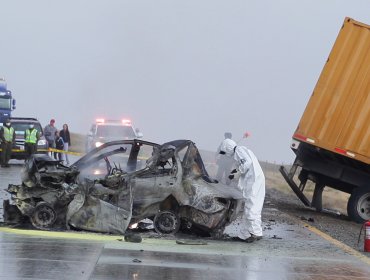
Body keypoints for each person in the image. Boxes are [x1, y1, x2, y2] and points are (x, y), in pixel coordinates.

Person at [219, 138, 265, 243]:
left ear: (228, 148)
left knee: (252, 207)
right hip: (255, 181)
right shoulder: (241, 151)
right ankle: (244, 235)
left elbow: (247, 163)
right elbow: (242, 164)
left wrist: (239, 172)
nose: (226, 154)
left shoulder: (238, 150)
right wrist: (234, 173)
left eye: (225, 151)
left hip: (254, 182)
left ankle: (256, 233)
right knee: (249, 207)